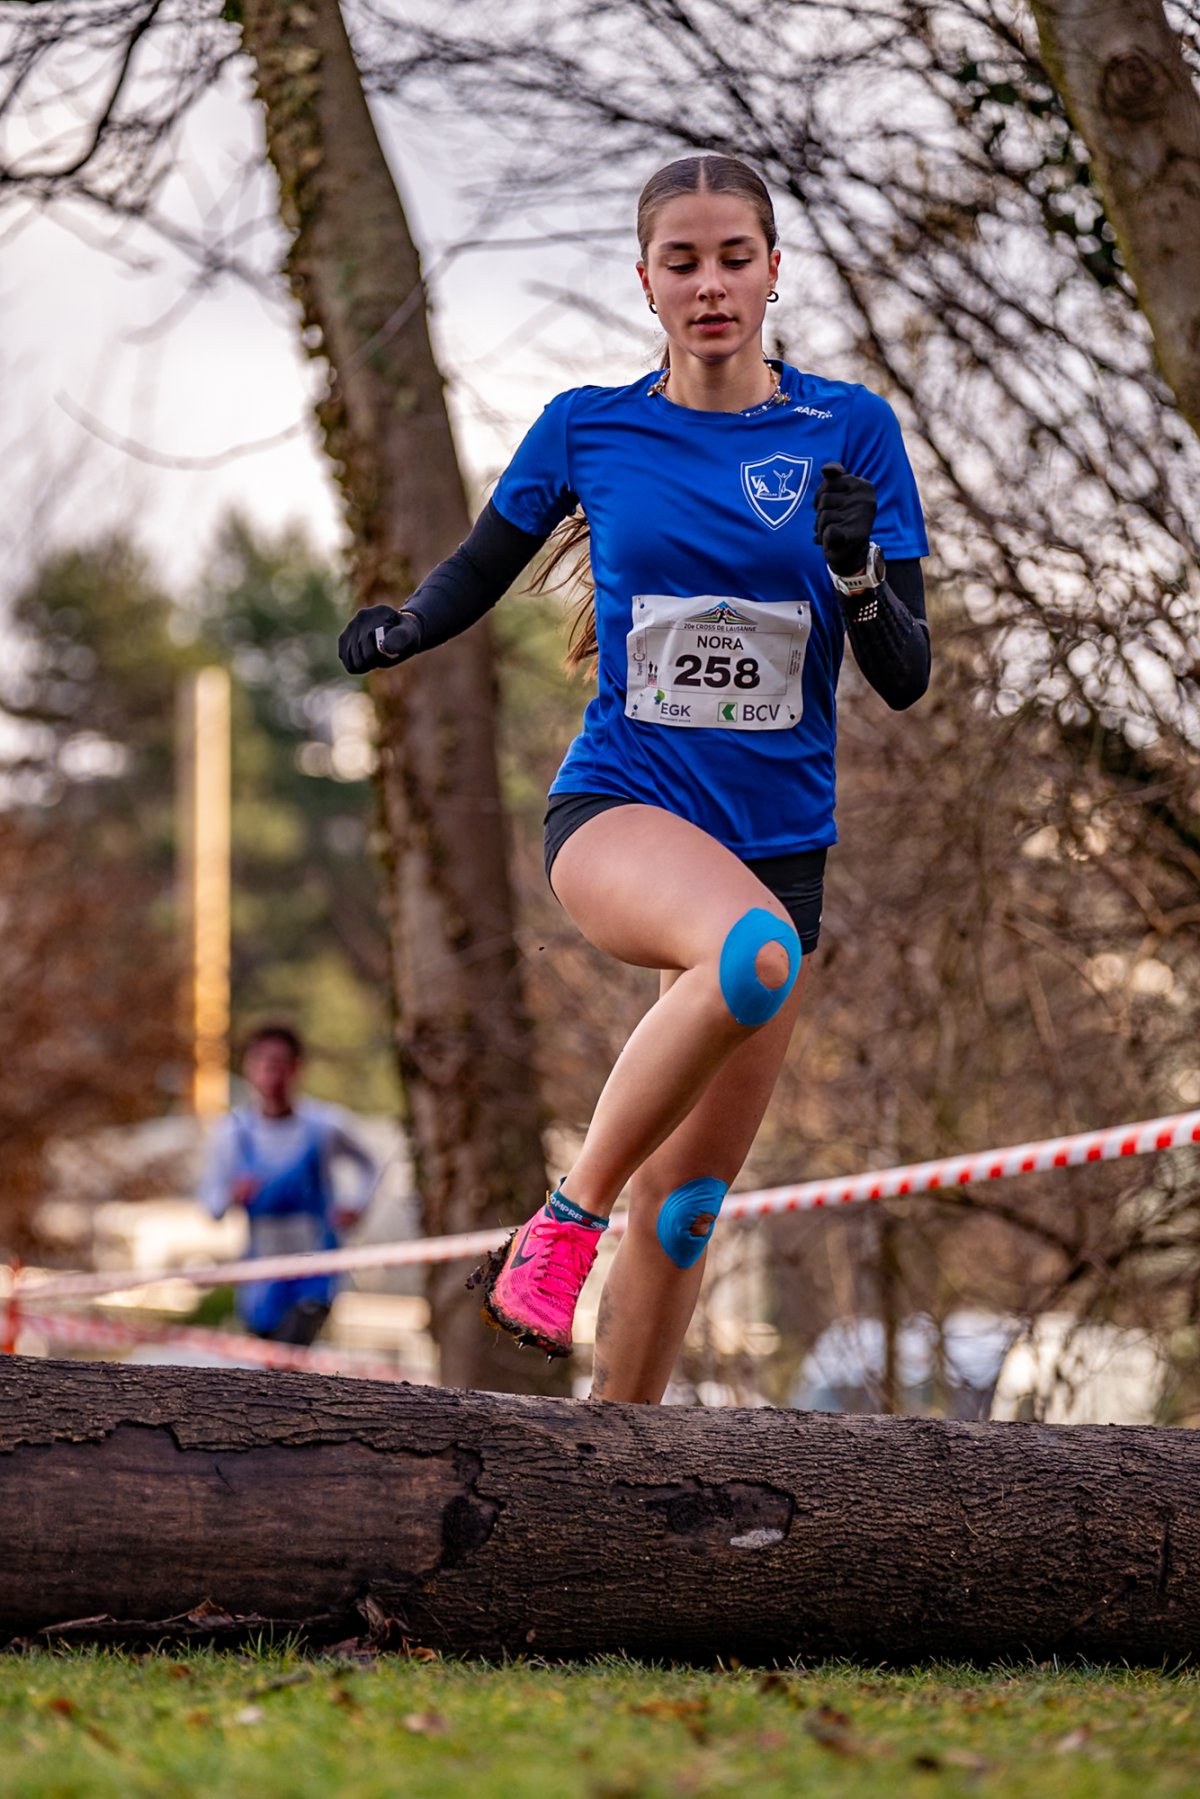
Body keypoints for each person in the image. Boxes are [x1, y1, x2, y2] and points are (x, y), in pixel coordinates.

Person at [338, 154, 930, 1402]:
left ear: (774, 271)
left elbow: (906, 672)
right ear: (647, 281)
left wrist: (861, 574)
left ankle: (626, 1472)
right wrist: (401, 629)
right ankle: (561, 1223)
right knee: (749, 955)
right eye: (684, 261)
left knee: (693, 1204)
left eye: (734, 258)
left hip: (778, 846)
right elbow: (477, 568)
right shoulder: (588, 426)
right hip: (626, 810)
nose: (711, 284)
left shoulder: (849, 429)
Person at [198, 1023, 379, 1345]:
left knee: (291, 1352)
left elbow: (372, 1162)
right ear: (248, 1069)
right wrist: (231, 1196)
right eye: (262, 1062)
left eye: (280, 1063)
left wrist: (357, 1206)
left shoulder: (323, 1126)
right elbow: (210, 1207)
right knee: (269, 1368)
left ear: (296, 1069)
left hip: (315, 1274)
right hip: (260, 1279)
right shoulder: (232, 1134)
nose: (272, 1073)